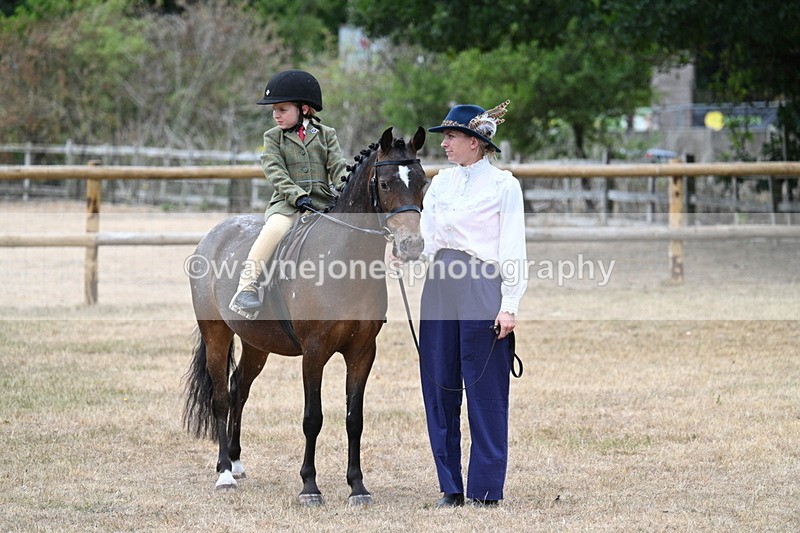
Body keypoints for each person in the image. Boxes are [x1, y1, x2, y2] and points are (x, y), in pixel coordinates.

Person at [418, 101, 528, 508]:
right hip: (439, 285)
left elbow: (513, 247)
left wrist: (509, 304)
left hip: (481, 284)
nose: (444, 143)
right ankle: (450, 486)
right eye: (445, 137)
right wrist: (404, 252)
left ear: (475, 142)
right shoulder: (440, 184)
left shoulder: (503, 186)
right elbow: (428, 240)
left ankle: (485, 488)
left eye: (451, 136)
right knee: (439, 386)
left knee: (485, 390)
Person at [229, 69, 348, 319]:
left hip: (322, 204)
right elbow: (275, 171)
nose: (276, 115)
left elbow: (337, 167)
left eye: (282, 109)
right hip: (288, 205)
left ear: (303, 109)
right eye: (274, 110)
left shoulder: (326, 134)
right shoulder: (273, 138)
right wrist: (297, 195)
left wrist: (345, 186)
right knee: (274, 230)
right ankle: (246, 287)